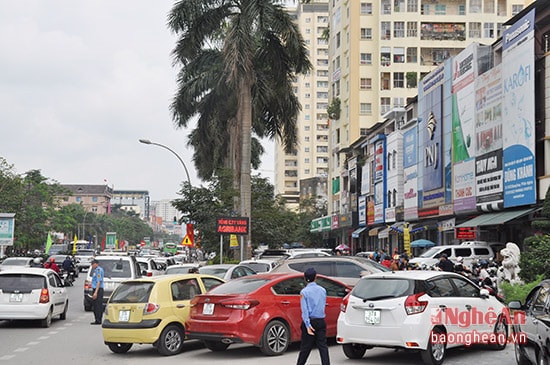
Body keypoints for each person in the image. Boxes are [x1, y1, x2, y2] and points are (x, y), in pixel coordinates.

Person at [296, 267, 330, 365]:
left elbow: (305, 310)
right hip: (320, 320)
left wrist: (307, 325)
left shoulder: (304, 292)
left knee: (305, 348)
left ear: (305, 278)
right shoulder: (322, 290)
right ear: (315, 278)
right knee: (323, 346)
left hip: (310, 321)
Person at [90, 259, 104, 325]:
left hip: (98, 290)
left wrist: (95, 292)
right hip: (96, 289)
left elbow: (98, 282)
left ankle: (98, 320)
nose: (92, 266)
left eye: (92, 264)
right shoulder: (95, 270)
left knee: (98, 305)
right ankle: (97, 319)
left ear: (96, 264)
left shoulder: (98, 270)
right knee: (95, 305)